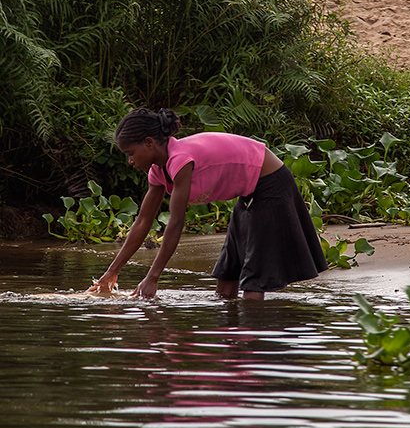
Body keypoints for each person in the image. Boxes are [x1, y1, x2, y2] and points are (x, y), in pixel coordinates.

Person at [89, 108, 328, 300]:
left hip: (269, 183)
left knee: (254, 278)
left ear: (150, 143)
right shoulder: (157, 172)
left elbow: (175, 223)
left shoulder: (180, 161)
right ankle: (230, 341)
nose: (130, 161)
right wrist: (111, 272)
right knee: (227, 277)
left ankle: (255, 342)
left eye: (131, 153)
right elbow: (142, 222)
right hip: (249, 191)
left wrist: (153, 277)